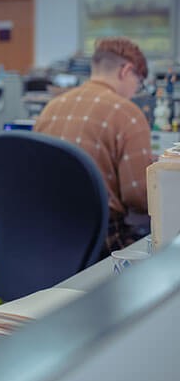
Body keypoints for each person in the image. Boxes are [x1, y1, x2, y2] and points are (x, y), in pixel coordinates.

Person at [34, 36, 152, 255]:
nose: (136, 91)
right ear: (126, 71)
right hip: (102, 242)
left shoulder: (51, 108)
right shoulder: (128, 114)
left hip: (46, 236)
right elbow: (139, 196)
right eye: (139, 82)